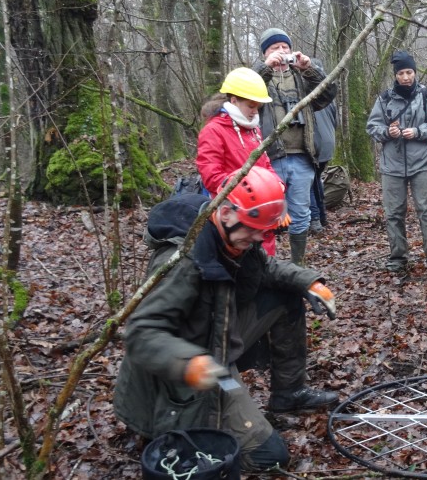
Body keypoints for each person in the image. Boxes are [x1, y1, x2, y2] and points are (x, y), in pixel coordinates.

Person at [113, 166, 340, 473]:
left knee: (286, 296)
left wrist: (309, 282)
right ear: (226, 211)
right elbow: (141, 332)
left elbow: (267, 267)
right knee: (269, 456)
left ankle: (288, 393)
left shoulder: (234, 236)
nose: (260, 238)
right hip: (180, 376)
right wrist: (189, 365)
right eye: (254, 229)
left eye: (265, 230)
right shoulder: (182, 261)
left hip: (217, 343)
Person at [252, 28, 337, 265]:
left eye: (284, 48)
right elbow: (245, 97)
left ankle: (297, 264)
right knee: (265, 214)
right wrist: (266, 68)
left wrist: (310, 68)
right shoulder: (259, 79)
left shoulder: (302, 77)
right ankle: (264, 264)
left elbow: (327, 94)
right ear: (264, 54)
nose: (280, 53)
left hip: (302, 157)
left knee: (301, 214)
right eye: (273, 49)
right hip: (269, 159)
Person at [366, 50, 427, 277]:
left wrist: (418, 131)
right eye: (401, 73)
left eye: (409, 72)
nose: (406, 77)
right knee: (393, 214)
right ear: (395, 75)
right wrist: (388, 131)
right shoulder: (384, 99)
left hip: (422, 164)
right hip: (392, 166)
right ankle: (398, 259)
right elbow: (372, 127)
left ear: (415, 72)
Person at [196, 67, 280, 255]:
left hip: (261, 210)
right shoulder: (213, 130)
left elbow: (265, 165)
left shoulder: (253, 130)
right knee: (242, 259)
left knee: (265, 259)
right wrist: (247, 194)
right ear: (233, 100)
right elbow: (211, 176)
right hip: (234, 215)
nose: (254, 111)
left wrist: (277, 188)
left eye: (257, 107)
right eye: (250, 106)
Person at [309, 101, 338, 235]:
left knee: (309, 184)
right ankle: (322, 216)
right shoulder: (327, 96)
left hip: (315, 144)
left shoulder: (305, 96)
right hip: (327, 142)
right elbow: (335, 121)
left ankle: (315, 220)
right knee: (315, 180)